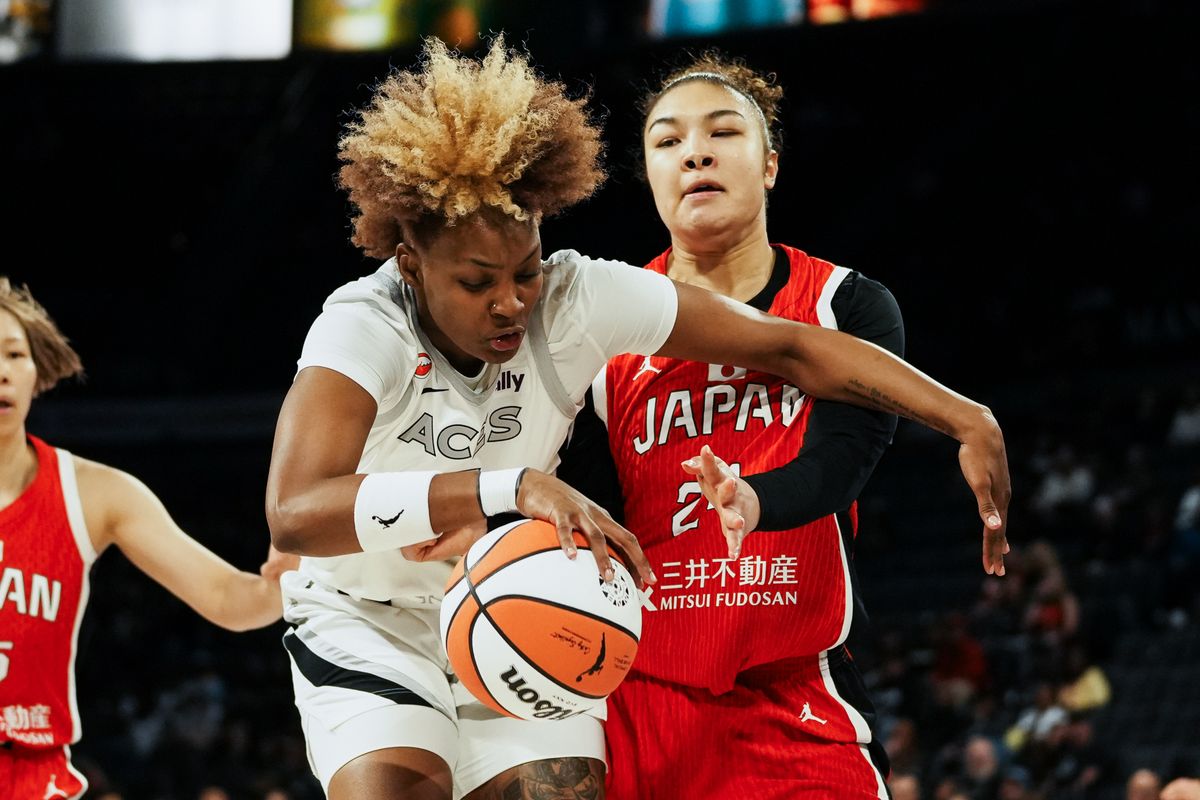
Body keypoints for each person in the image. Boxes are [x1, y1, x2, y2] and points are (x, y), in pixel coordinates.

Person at [264, 36, 1009, 800]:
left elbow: (791, 345)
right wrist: (510, 488)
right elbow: (293, 512)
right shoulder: (363, 323)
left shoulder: (580, 298)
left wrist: (966, 418)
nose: (511, 302)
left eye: (526, 271)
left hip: (523, 592)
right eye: (478, 283)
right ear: (410, 264)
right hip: (372, 616)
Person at [555, 52, 1006, 798]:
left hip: (797, 698)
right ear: (650, 176)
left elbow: (843, 461)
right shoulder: (601, 330)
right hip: (643, 704)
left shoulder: (844, 303)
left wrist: (756, 499)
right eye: (667, 141)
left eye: (722, 132)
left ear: (769, 165)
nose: (694, 152)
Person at [0, 277, 295, 800]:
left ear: (36, 370)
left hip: (33, 777)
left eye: (14, 354)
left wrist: (285, 574)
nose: (1, 371)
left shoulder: (95, 493)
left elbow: (231, 599)